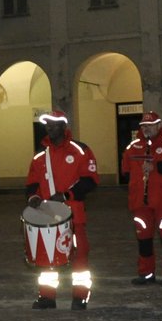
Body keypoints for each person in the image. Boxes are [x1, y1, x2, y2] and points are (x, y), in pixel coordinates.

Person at [24, 109, 98, 310]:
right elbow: (32, 182)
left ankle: (80, 297)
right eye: (47, 124)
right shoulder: (40, 155)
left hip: (73, 212)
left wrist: (66, 195)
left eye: (54, 123)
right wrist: (34, 196)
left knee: (79, 255)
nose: (49, 127)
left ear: (64, 127)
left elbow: (90, 180)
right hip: (47, 214)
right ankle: (47, 297)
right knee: (46, 257)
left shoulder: (80, 150)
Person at [118, 111, 162, 286]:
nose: (146, 128)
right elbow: (125, 171)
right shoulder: (133, 146)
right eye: (144, 126)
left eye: (150, 125)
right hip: (140, 203)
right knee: (144, 239)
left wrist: (158, 166)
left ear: (159, 126)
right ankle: (146, 273)